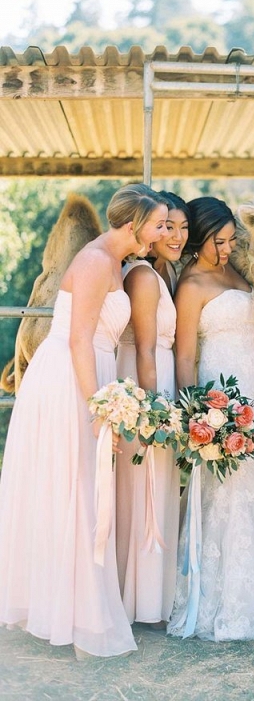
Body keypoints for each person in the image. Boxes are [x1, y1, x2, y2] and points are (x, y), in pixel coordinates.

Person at [0, 183, 169, 659]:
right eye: (157, 224)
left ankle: (74, 608)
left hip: (90, 375)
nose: (161, 232)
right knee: (76, 488)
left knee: (84, 489)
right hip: (71, 379)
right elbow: (78, 340)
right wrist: (98, 407)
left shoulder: (114, 262)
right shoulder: (96, 262)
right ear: (134, 223)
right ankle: (78, 615)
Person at [167, 196, 254, 642]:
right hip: (218, 391)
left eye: (228, 240)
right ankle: (225, 598)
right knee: (227, 487)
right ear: (198, 240)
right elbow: (184, 354)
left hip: (253, 387)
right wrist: (194, 415)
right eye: (216, 242)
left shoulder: (237, 271)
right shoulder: (192, 284)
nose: (225, 249)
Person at [115, 191, 190, 627]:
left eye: (181, 228)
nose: (174, 235)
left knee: (156, 489)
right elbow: (144, 349)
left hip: (156, 382)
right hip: (147, 386)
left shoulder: (163, 274)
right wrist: (152, 413)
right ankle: (136, 600)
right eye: (166, 226)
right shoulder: (143, 276)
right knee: (141, 488)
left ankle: (149, 599)